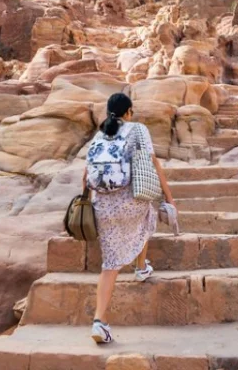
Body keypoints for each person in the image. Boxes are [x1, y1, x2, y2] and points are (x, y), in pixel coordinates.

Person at [84, 92, 175, 345]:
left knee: (110, 264)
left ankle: (99, 322)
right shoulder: (138, 129)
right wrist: (169, 197)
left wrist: (86, 201)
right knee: (148, 215)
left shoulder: (100, 134)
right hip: (131, 200)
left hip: (103, 205)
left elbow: (86, 172)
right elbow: (153, 163)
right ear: (128, 112)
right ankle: (141, 266)